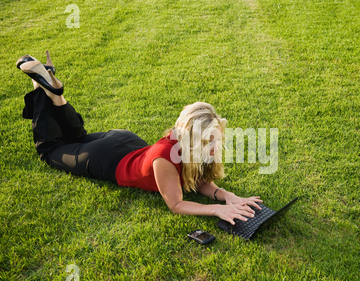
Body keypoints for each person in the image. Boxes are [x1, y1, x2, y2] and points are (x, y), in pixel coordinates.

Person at [16, 51, 263, 225]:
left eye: (217, 140)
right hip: (108, 158)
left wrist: (227, 196)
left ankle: (55, 94)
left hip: (126, 143)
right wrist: (218, 210)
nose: (215, 148)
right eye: (210, 142)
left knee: (76, 136)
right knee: (51, 150)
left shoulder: (186, 143)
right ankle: (46, 91)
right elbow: (176, 205)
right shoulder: (165, 159)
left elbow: (198, 180)